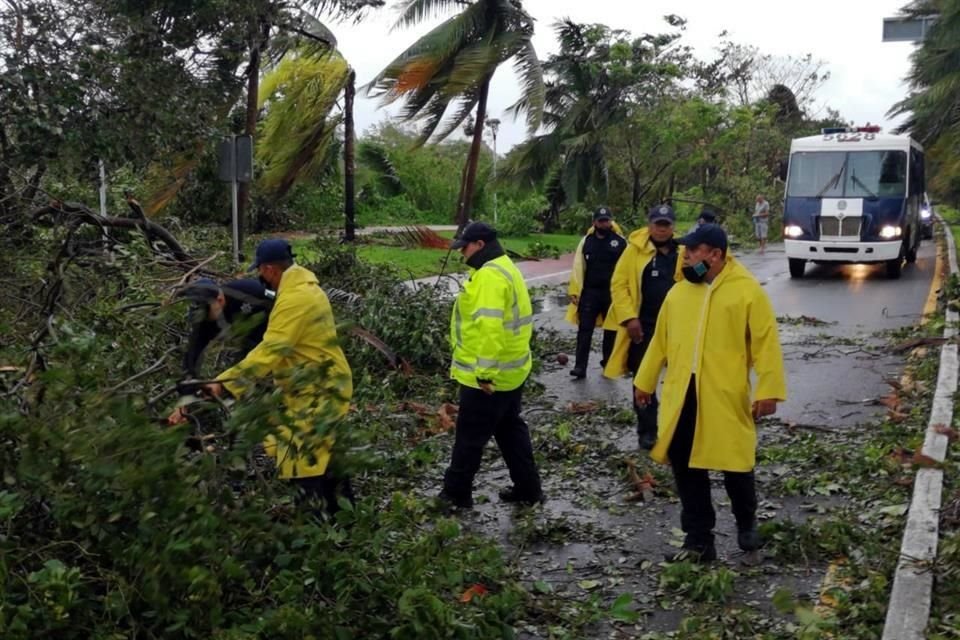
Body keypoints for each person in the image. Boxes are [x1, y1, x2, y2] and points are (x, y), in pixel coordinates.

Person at [634, 224, 786, 562]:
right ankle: (699, 539)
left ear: (715, 254)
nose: (686, 257)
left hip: (724, 395)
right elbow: (659, 342)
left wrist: (769, 390)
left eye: (693, 251)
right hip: (681, 397)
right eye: (685, 252)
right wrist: (643, 383)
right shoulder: (678, 294)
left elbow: (766, 344)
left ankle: (746, 523)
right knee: (687, 470)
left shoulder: (746, 292)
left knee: (735, 463)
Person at [201, 238, 355, 516]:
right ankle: (345, 520)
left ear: (270, 269)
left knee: (301, 459)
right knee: (326, 455)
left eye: (260, 271)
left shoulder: (295, 300)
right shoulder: (303, 288)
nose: (260, 278)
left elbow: (271, 350)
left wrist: (224, 384)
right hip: (320, 385)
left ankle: (314, 527)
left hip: (318, 390)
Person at [439, 222, 543, 509]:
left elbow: (490, 329)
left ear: (480, 245)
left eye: (465, 248)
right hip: (511, 372)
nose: (462, 254)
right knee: (510, 431)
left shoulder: (490, 278)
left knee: (470, 438)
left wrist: (484, 374)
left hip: (488, 378)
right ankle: (528, 488)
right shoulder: (505, 266)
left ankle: (455, 494)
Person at [603, 204, 684, 450]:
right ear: (649, 225)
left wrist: (706, 266)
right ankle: (647, 430)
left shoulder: (683, 251)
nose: (661, 229)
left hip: (678, 328)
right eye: (657, 224)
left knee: (681, 379)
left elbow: (697, 275)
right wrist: (629, 318)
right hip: (644, 327)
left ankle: (678, 428)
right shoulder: (634, 252)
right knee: (643, 380)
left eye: (666, 225)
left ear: (673, 227)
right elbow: (619, 285)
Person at [565, 206, 627, 378]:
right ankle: (580, 367)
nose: (604, 223)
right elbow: (578, 267)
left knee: (611, 331)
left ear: (611, 221)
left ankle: (608, 363)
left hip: (611, 294)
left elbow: (628, 269)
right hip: (590, 293)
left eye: (607, 220)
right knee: (584, 330)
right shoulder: (587, 242)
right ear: (594, 222)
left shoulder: (620, 243)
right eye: (601, 220)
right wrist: (575, 291)